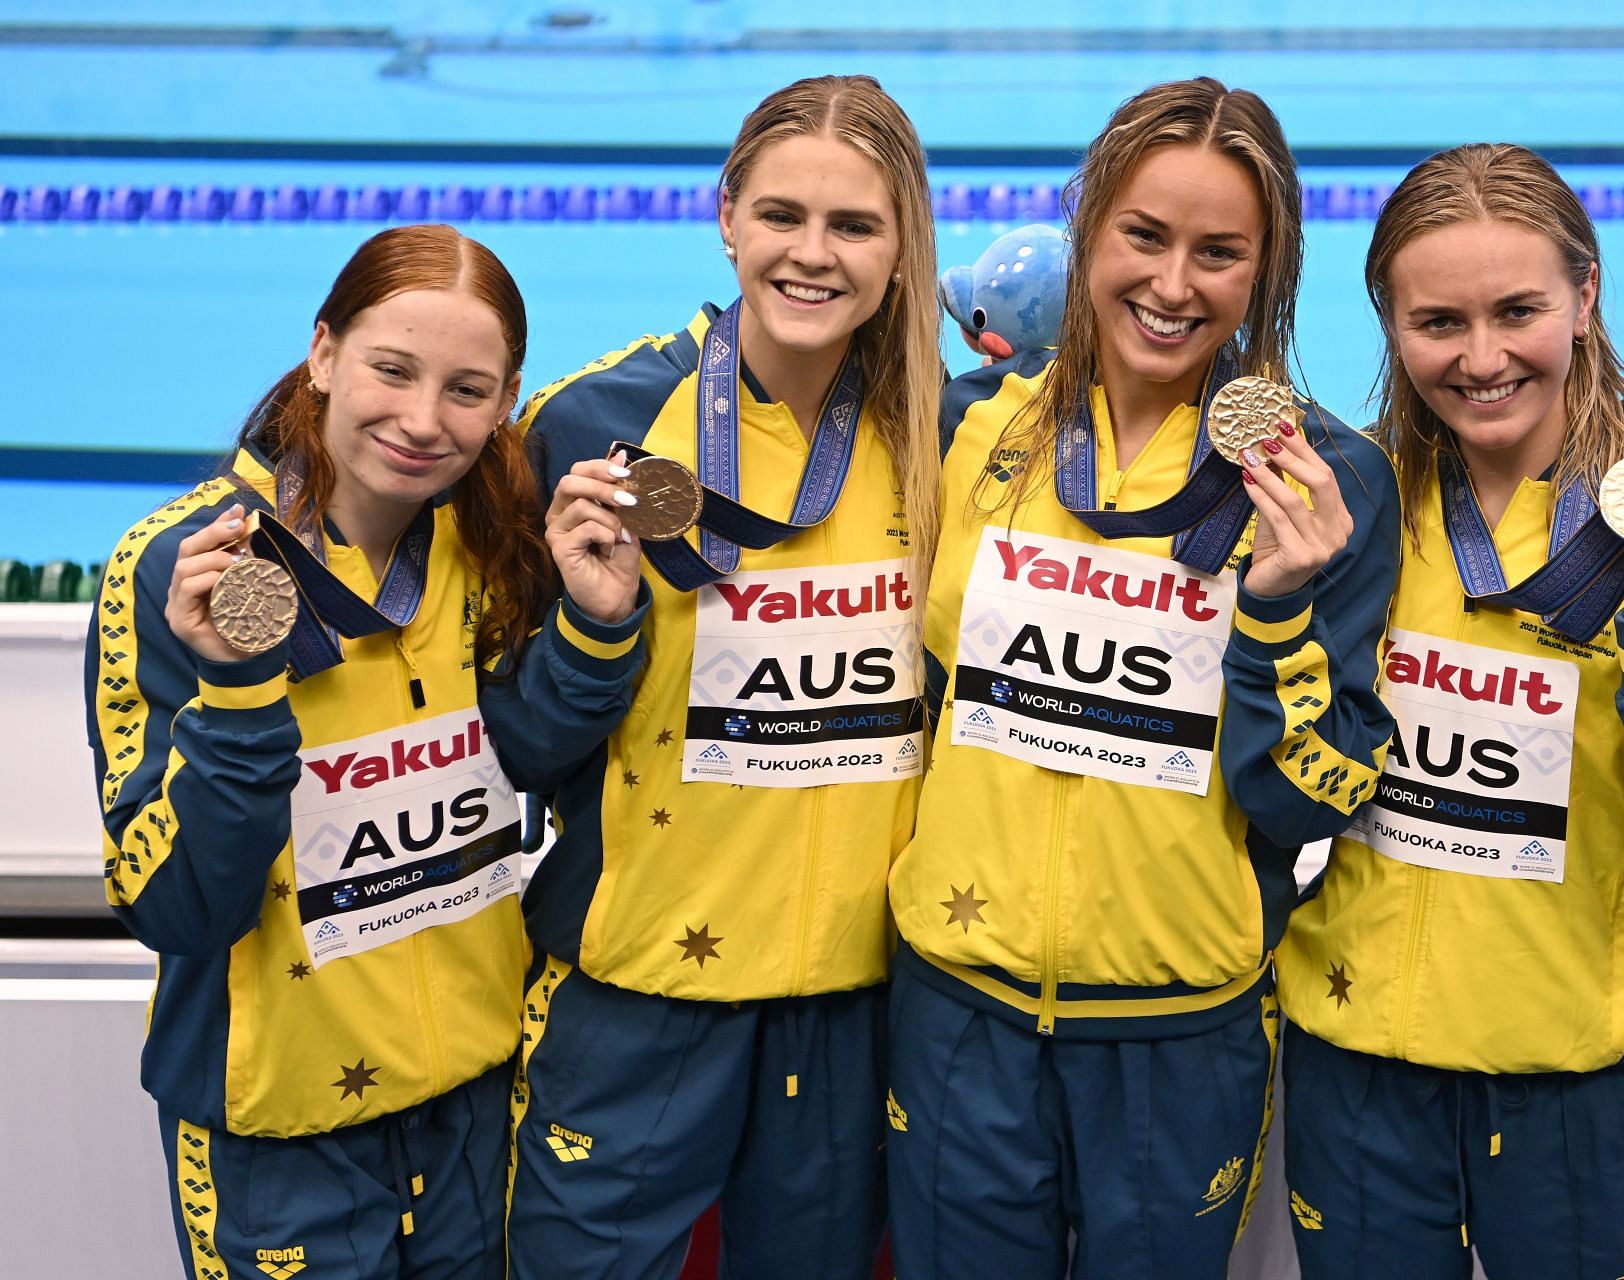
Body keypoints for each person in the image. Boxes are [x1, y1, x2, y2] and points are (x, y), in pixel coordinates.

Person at [1260, 143, 1624, 1280]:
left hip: (1584, 1090)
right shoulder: (1355, 508)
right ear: (1389, 322)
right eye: (1438, 322)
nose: (1482, 359)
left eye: (1518, 309)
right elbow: (1275, 784)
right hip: (1359, 1073)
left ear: (1585, 293)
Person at [885, 77, 1399, 1279]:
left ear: (1266, 273)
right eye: (1144, 237)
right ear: (1086, 232)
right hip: (957, 1004)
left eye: (1219, 253)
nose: (1174, 286)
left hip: (1180, 1028)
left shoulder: (1327, 481)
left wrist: (1273, 612)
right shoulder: (970, 427)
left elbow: (1313, 796)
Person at [85, 222, 649, 1278]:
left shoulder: (478, 541)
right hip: (280, 1130)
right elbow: (177, 905)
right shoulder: (185, 568)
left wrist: (598, 624)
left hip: (475, 1103)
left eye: (467, 389)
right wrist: (242, 694)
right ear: (323, 352)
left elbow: (524, 752)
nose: (423, 420)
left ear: (508, 398)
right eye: (392, 369)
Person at [503, 74, 941, 1279]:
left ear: (903, 248)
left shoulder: (948, 438)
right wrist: (594, 635)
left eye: (854, 225)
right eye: (782, 216)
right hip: (635, 986)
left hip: (854, 1001)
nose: (812, 255)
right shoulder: (590, 424)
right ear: (726, 216)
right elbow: (521, 750)